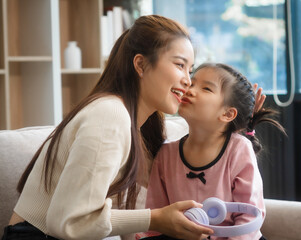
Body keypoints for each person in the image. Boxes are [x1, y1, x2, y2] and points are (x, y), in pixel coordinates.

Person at [1, 15, 215, 240]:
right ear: (141, 65)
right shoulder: (110, 115)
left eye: (190, 70)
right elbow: (68, 222)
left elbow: (130, 214)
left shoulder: (137, 125)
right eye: (180, 65)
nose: (188, 81)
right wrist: (155, 218)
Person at [145, 63, 286, 240]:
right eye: (192, 83)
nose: (189, 90)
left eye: (206, 88)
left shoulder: (238, 149)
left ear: (227, 114)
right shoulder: (165, 154)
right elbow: (156, 217)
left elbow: (249, 217)